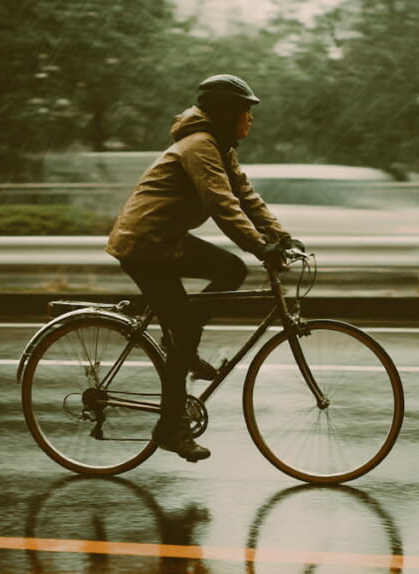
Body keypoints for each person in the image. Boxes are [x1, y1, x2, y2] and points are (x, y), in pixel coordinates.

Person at [106, 74, 304, 462]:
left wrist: (282, 235)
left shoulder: (219, 145)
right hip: (145, 244)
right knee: (183, 330)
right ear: (227, 113)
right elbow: (221, 204)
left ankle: (183, 340)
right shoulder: (199, 146)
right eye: (246, 111)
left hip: (168, 240)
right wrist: (262, 248)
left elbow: (245, 195)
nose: (250, 119)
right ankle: (171, 429)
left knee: (231, 269)